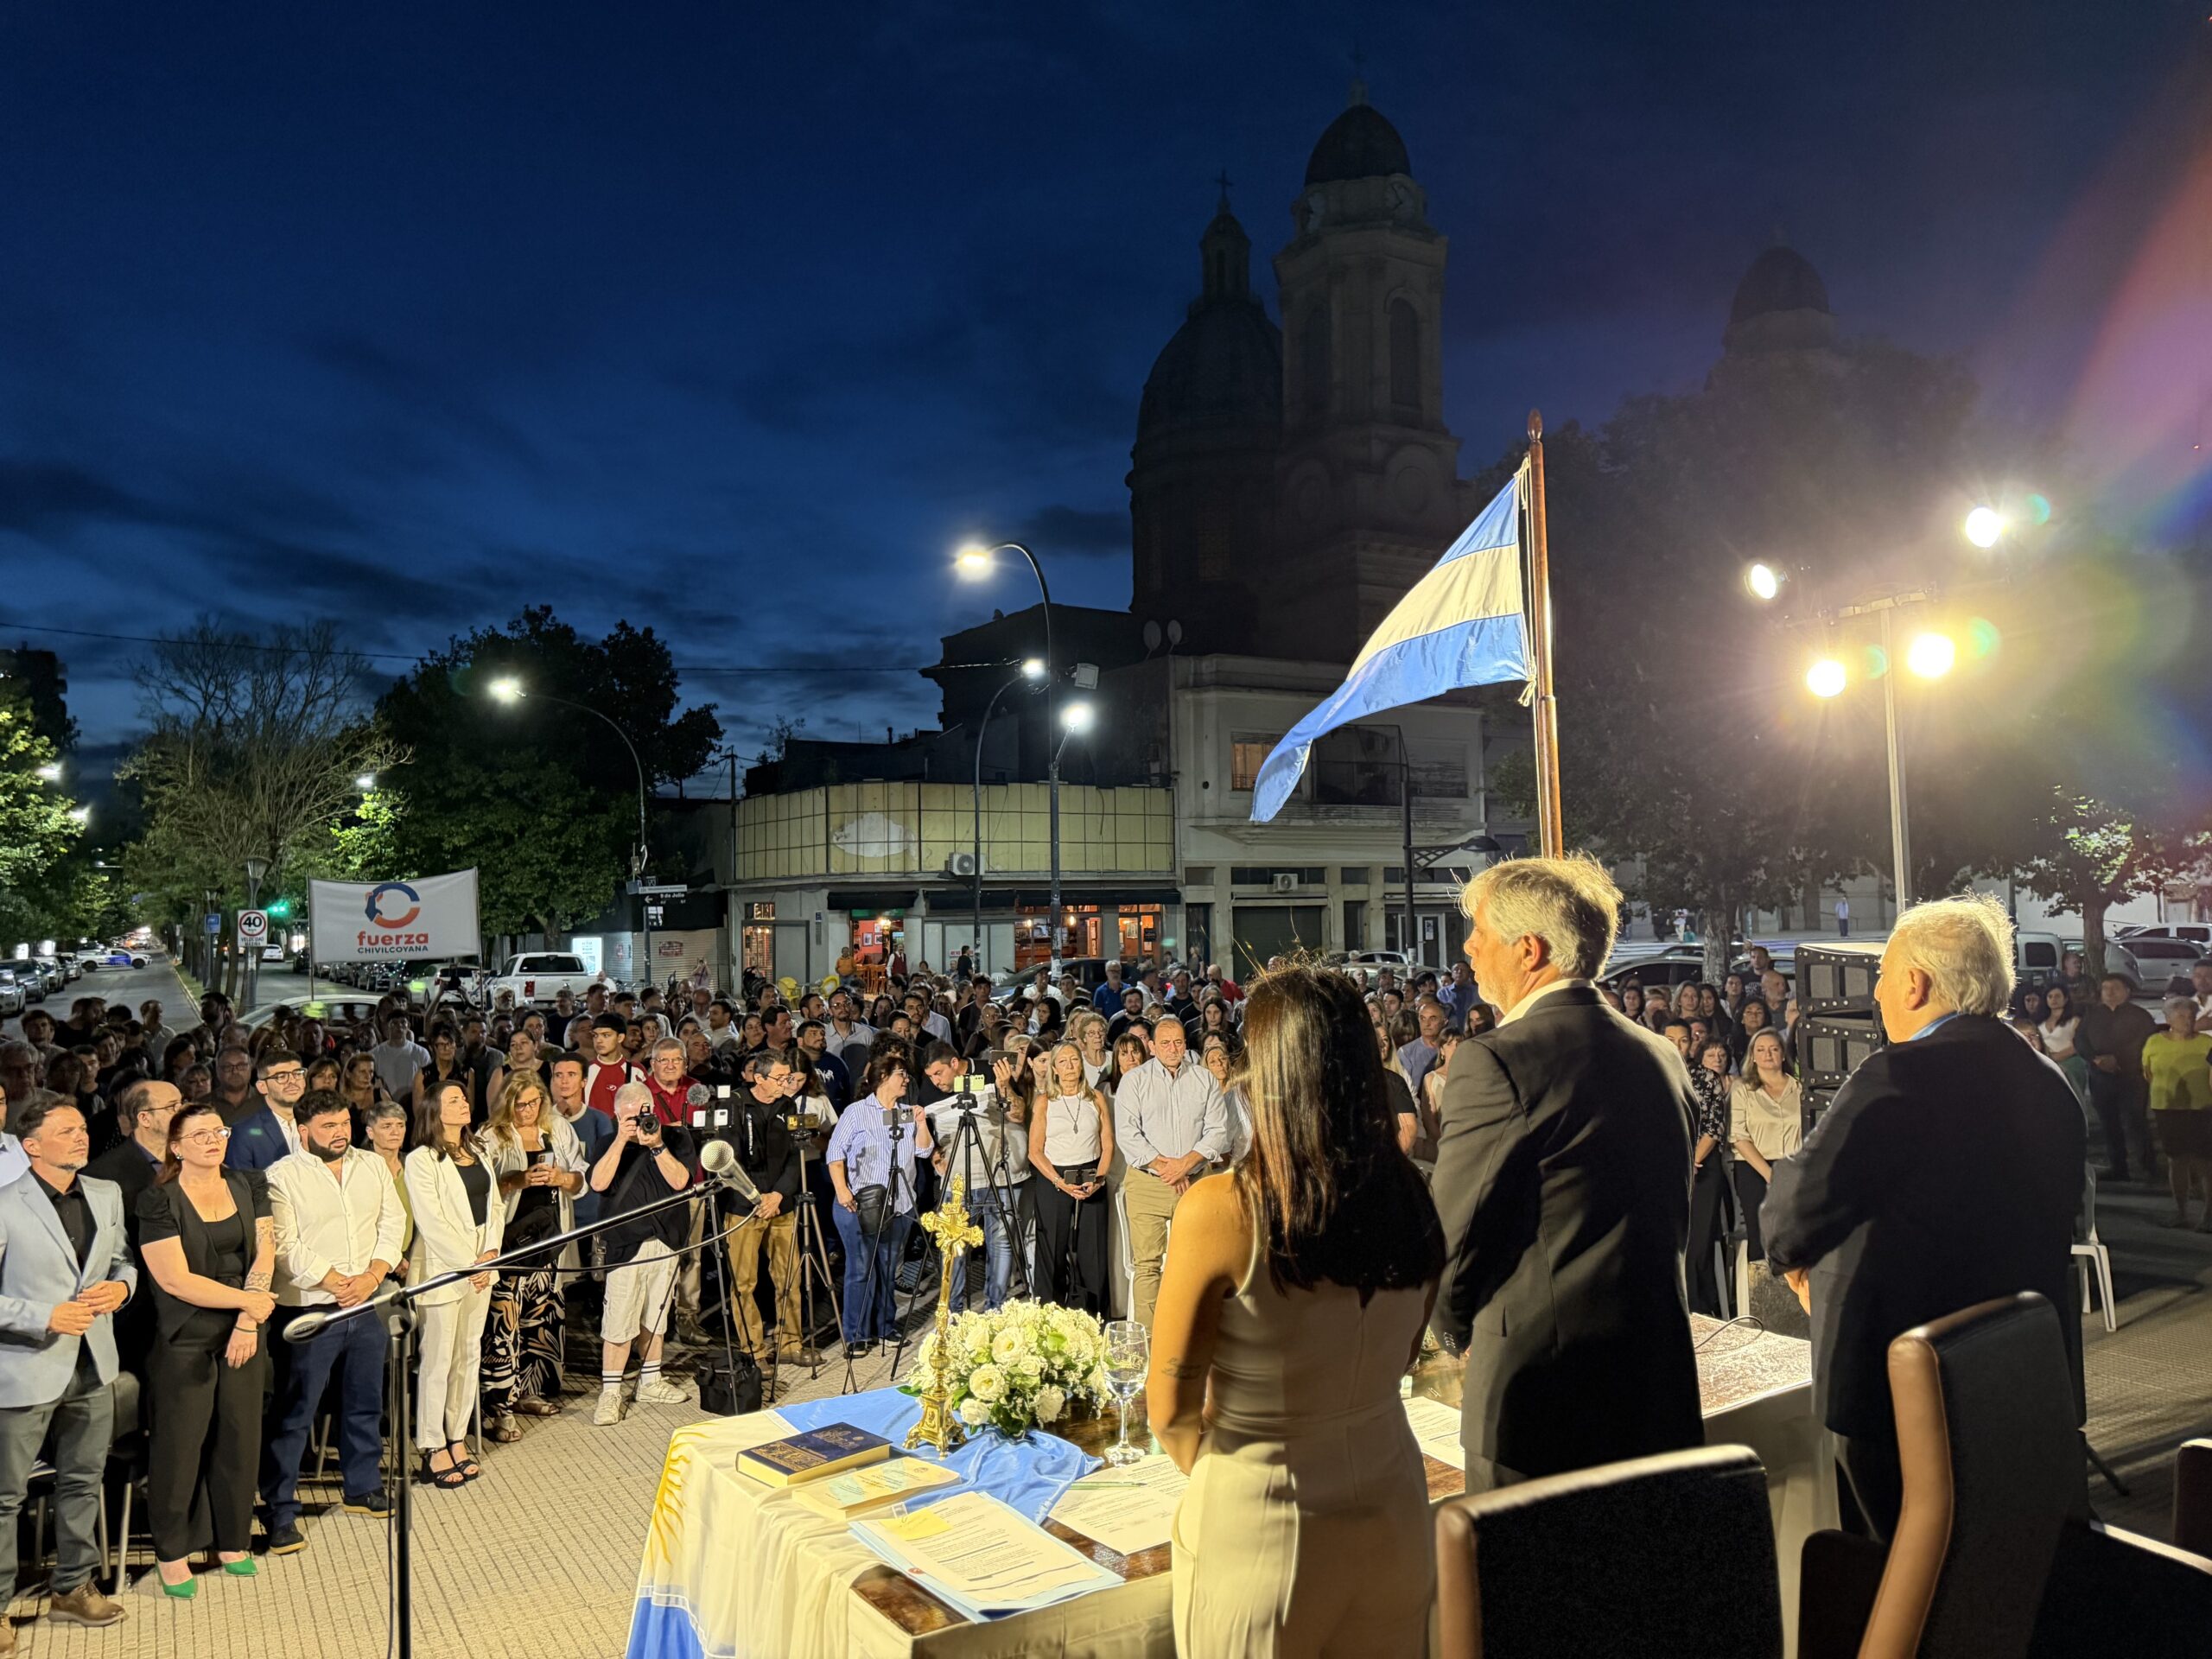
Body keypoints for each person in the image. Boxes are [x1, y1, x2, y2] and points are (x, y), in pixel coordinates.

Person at [1764, 894, 2087, 1541]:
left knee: (1903, 1581)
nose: (1877, 993)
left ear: (1914, 983)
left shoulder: (1898, 1076)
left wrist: (1799, 1268)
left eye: (1882, 975)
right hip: (2019, 1375)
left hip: (1902, 1393)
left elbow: (1795, 1206)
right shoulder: (2047, 1079)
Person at [1148, 964, 1444, 1657]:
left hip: (1266, 1519)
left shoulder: (1222, 1208)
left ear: (1268, 1073)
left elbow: (1169, 1409)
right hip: (1393, 1503)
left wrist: (1232, 1474)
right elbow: (1404, 1357)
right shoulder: (1409, 1195)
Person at [1429, 855, 1702, 1491]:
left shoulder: (1497, 1062)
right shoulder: (1661, 1053)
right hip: (1654, 1387)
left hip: (1541, 1408)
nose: (1468, 948)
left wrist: (1453, 1332)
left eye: (1480, 932)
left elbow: (1453, 1244)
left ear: (1529, 951)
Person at [0, 1099, 135, 1637]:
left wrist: (122, 1287)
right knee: (5, 1497)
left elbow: (123, 1259)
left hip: (93, 1364)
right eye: (66, 1131)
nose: (81, 1137)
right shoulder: (6, 1204)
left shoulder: (106, 1193)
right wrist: (43, 1316)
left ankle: (73, 1588)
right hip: (26, 1367)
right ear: (31, 1145)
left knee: (83, 1481)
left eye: (82, 1128)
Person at [137, 1101, 276, 1592]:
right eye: (200, 1135)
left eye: (220, 1131)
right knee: (181, 1445)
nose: (215, 1140)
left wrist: (245, 1319)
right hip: (187, 1334)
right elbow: (175, 1279)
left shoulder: (249, 1184)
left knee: (240, 1437)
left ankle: (232, 1539)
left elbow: (265, 1250)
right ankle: (172, 1551)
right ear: (176, 1147)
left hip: (244, 1328)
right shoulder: (158, 1200)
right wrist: (250, 1303)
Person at [405, 1081, 505, 1486]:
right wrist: (470, 1264)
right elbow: (432, 1222)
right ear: (435, 1111)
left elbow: (494, 1206)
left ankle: (456, 1436)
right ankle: (432, 1446)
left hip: (483, 1268)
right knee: (438, 1361)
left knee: (467, 1357)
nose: (464, 1104)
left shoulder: (478, 1150)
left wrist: (492, 1253)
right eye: (454, 1100)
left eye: (465, 1098)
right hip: (444, 1271)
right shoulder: (421, 1160)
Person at [481, 1074, 586, 1433]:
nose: (528, 1111)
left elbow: (581, 1181)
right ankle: (500, 1404)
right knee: (503, 1323)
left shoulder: (557, 1129)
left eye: (534, 1103)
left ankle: (532, 1389)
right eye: (520, 1104)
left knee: (543, 1316)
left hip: (548, 1237)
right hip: (509, 1240)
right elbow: (480, 1188)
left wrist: (561, 1178)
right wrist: (518, 1179)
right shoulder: (491, 1136)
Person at [588, 1082, 696, 1424]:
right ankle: (610, 1392)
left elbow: (681, 1182)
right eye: (630, 1116)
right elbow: (598, 1184)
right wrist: (622, 1139)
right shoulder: (608, 1143)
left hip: (665, 1242)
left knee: (656, 1317)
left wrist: (658, 1146)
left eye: (644, 1113)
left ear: (653, 1108)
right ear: (618, 1115)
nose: (639, 1122)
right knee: (619, 1321)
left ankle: (651, 1380)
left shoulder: (676, 1138)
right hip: (625, 1245)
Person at [1114, 1016, 1230, 1330]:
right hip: (1148, 1184)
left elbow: (1218, 1132)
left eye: (1178, 1042)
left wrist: (1186, 1165)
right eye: (1164, 1042)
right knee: (1147, 1266)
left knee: (1198, 1263)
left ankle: (1194, 1337)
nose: (1172, 1048)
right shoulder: (1134, 1081)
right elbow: (1128, 1135)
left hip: (1195, 1184)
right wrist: (1169, 1169)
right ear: (1151, 1046)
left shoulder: (1204, 1079)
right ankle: (1149, 1345)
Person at [825, 1049, 934, 1357]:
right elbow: (835, 1154)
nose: (906, 1080)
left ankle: (884, 1326)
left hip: (899, 1204)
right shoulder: (857, 1112)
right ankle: (856, 1333)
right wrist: (842, 1190)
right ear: (883, 1078)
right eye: (901, 1074)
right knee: (861, 1270)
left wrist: (922, 1123)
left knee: (887, 1269)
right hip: (859, 1204)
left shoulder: (906, 1111)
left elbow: (923, 1153)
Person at [925, 1048, 1031, 1313]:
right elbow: (924, 1131)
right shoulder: (930, 1090)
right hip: (957, 1179)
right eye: (930, 1077)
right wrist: (934, 1156)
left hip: (1000, 1174)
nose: (936, 1081)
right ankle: (953, 1312)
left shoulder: (992, 1070)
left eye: (939, 1073)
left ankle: (996, 1308)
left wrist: (1004, 1085)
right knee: (953, 1244)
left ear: (954, 1062)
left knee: (1002, 1241)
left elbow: (1018, 1115)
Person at [719, 1052, 805, 1366]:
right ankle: (753, 1349)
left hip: (782, 1205)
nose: (787, 1083)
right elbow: (728, 1160)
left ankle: (790, 1340)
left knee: (789, 1277)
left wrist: (779, 1194)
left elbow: (797, 1156)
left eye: (789, 1077)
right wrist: (758, 1199)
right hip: (745, 1207)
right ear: (759, 1079)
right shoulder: (735, 1104)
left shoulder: (789, 1105)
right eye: (781, 1078)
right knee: (744, 1283)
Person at [1027, 1041, 1110, 1312]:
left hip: (1091, 1173)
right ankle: (1050, 1312)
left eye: (1074, 1060)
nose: (1070, 1066)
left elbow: (1107, 1143)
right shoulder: (1044, 1102)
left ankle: (1092, 1314)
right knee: (1052, 1246)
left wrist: (1099, 1178)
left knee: (1092, 1249)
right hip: (1055, 1176)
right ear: (1054, 1069)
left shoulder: (1096, 1098)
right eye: (1063, 1062)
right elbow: (1035, 1152)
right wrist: (1057, 1181)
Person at [1730, 1030, 1802, 1268]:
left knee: (1794, 1232)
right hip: (1754, 1170)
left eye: (1773, 1048)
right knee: (1761, 1235)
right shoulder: (1742, 1090)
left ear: (1782, 1054)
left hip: (1793, 1167)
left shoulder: (1800, 1089)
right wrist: (1770, 1175)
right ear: (1753, 1056)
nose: (1767, 1054)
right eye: (1761, 1049)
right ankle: (1761, 1297)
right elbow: (1738, 1136)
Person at [2076, 972, 2158, 1183]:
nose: (2110, 993)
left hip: (2131, 1077)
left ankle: (2149, 1167)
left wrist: (2118, 1059)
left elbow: (2146, 1044)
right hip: (2101, 1078)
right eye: (2106, 989)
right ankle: (2118, 1167)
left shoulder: (2140, 1016)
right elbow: (2081, 1040)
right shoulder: (2093, 1014)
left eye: (2115, 988)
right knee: (2109, 1123)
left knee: (2136, 1123)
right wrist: (2095, 1059)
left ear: (2127, 992)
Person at [2141, 995, 2212, 1230]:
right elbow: (2147, 1072)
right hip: (2167, 1108)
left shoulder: (2206, 1043)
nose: (2188, 1020)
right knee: (2177, 1160)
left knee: (2205, 1162)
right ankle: (2181, 1211)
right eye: (2181, 1015)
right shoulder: (2154, 1042)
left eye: (2191, 1016)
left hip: (2201, 1108)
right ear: (2169, 1018)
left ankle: (2208, 1214)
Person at [1687, 1039, 1734, 1317]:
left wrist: (1692, 1160)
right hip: (1670, 1165)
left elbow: (1715, 1126)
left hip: (1703, 1166)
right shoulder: (1656, 1073)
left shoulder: (1708, 1080)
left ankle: (1702, 1307)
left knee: (1700, 1241)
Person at [226, 1048, 308, 1172]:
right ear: (262, 1087)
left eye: (297, 1073)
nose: (292, 1081)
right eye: (281, 1076)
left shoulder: (318, 1122)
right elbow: (242, 1186)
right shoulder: (243, 1133)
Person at [2039, 982, 2088, 1103]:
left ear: (2065, 999)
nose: (2053, 999)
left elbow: (2077, 1045)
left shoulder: (2074, 1020)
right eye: (2050, 996)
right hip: (2046, 1063)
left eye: (2057, 996)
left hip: (2070, 1064)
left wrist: (2055, 1057)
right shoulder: (2040, 1021)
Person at [370, 1014, 430, 1103]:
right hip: (385, 1105)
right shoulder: (375, 1054)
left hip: (414, 1103)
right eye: (394, 1023)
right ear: (387, 1027)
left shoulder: (421, 1053)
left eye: (403, 1022)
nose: (399, 1026)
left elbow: (428, 1081)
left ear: (408, 1026)